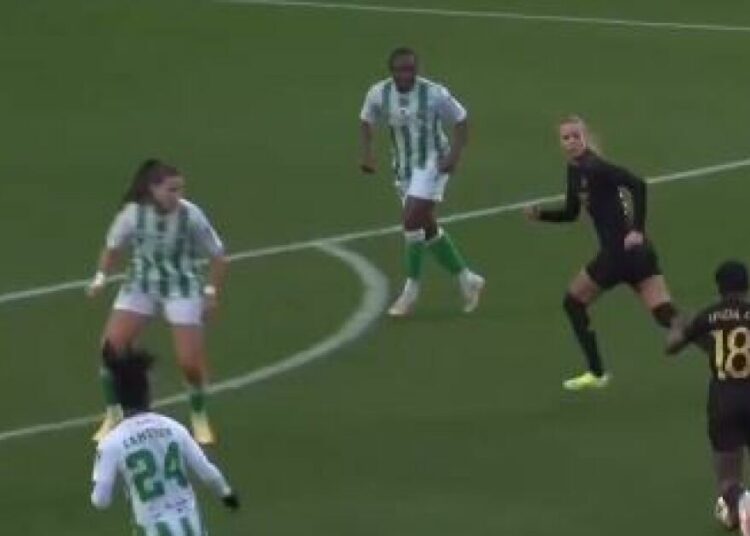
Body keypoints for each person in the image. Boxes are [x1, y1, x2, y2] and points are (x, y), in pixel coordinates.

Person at [524, 115, 678, 390]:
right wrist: (541, 215)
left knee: (573, 302)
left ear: (585, 136)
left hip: (619, 255)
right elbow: (572, 213)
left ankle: (596, 373)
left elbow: (638, 184)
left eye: (575, 135)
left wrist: (637, 229)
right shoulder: (575, 171)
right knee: (667, 316)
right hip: (640, 254)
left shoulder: (596, 167)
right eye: (565, 137)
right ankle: (729, 348)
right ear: (560, 142)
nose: (571, 142)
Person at [88, 159, 228, 444]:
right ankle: (113, 414)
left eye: (180, 189)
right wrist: (101, 276)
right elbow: (113, 247)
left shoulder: (191, 215)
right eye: (171, 190)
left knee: (189, 361)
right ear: (153, 189)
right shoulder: (132, 214)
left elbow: (218, 255)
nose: (177, 196)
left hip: (182, 286)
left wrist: (211, 293)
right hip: (142, 284)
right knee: (110, 349)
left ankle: (199, 417)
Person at [359, 46, 484, 316]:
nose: (407, 74)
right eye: (401, 69)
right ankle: (468, 279)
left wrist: (454, 155)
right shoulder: (379, 93)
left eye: (411, 68)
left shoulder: (434, 92)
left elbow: (461, 120)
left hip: (433, 162)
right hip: (403, 167)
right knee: (425, 227)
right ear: (391, 71)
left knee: (411, 219)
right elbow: (367, 120)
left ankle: (410, 292)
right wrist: (368, 153)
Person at [91, 346, 239, 535]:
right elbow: (206, 470)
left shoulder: (112, 443)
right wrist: (227, 495)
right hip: (192, 527)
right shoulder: (174, 427)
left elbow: (101, 501)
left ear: (117, 397)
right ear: (148, 393)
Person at [667, 260, 750, 533]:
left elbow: (672, 347)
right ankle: (737, 514)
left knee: (727, 476)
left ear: (719, 288)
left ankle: (739, 502)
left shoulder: (708, 315)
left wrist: (679, 327)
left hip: (724, 398)